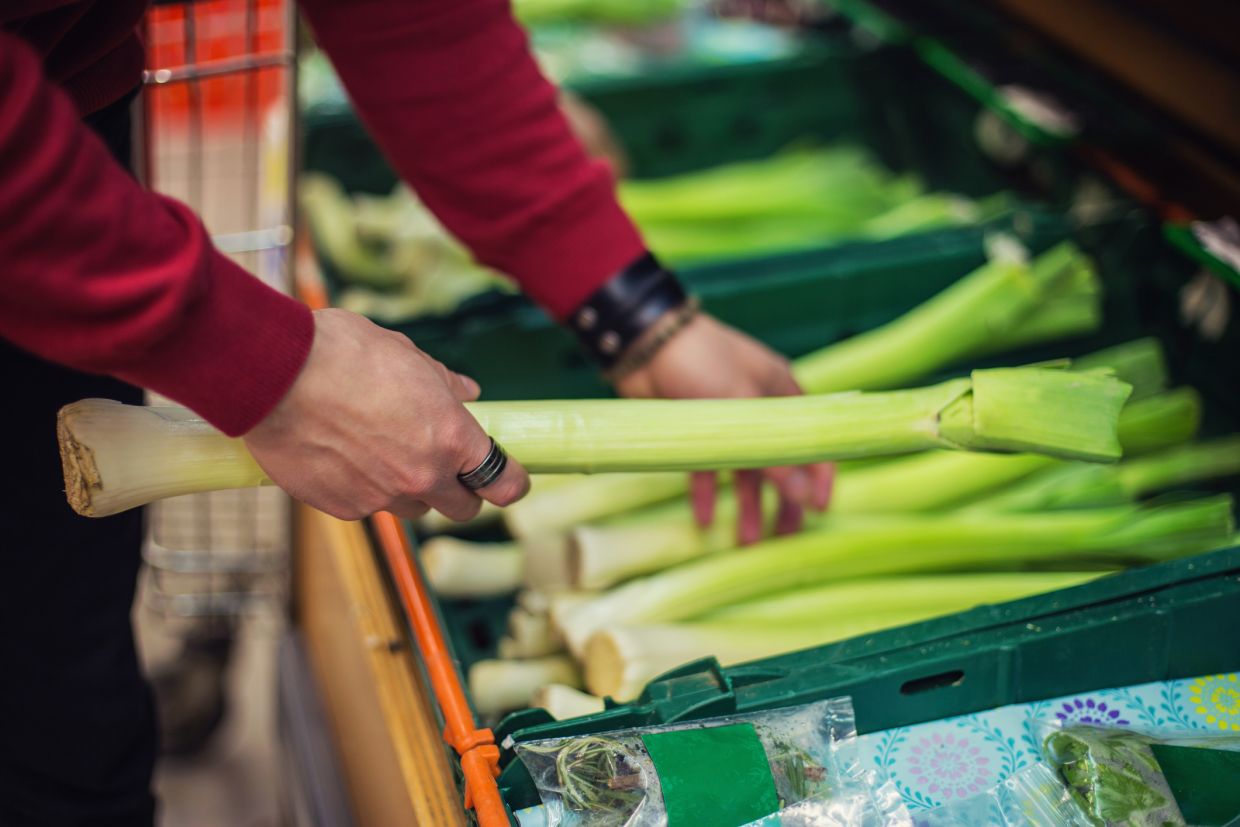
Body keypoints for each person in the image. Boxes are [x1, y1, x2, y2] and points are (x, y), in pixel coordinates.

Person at [0, 1, 833, 822]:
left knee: (63, 686)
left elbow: (414, 15)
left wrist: (637, 312)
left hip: (54, 134)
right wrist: (260, 361)